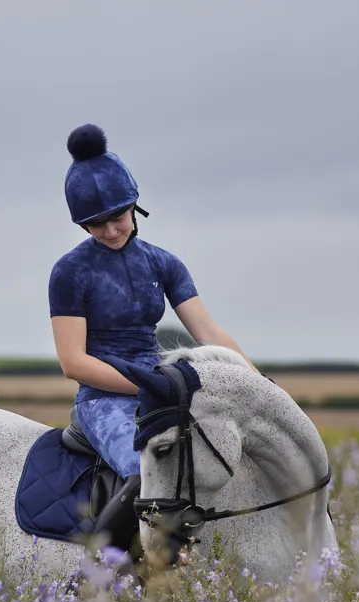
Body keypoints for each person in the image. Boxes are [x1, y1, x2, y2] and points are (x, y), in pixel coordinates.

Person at [48, 123, 256, 556]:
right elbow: (73, 362)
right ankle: (94, 572)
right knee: (148, 472)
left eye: (117, 218)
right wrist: (149, 384)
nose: (109, 231)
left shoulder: (164, 264)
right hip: (103, 400)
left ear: (135, 206)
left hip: (162, 391)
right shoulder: (69, 272)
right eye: (95, 224)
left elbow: (210, 334)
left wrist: (259, 383)